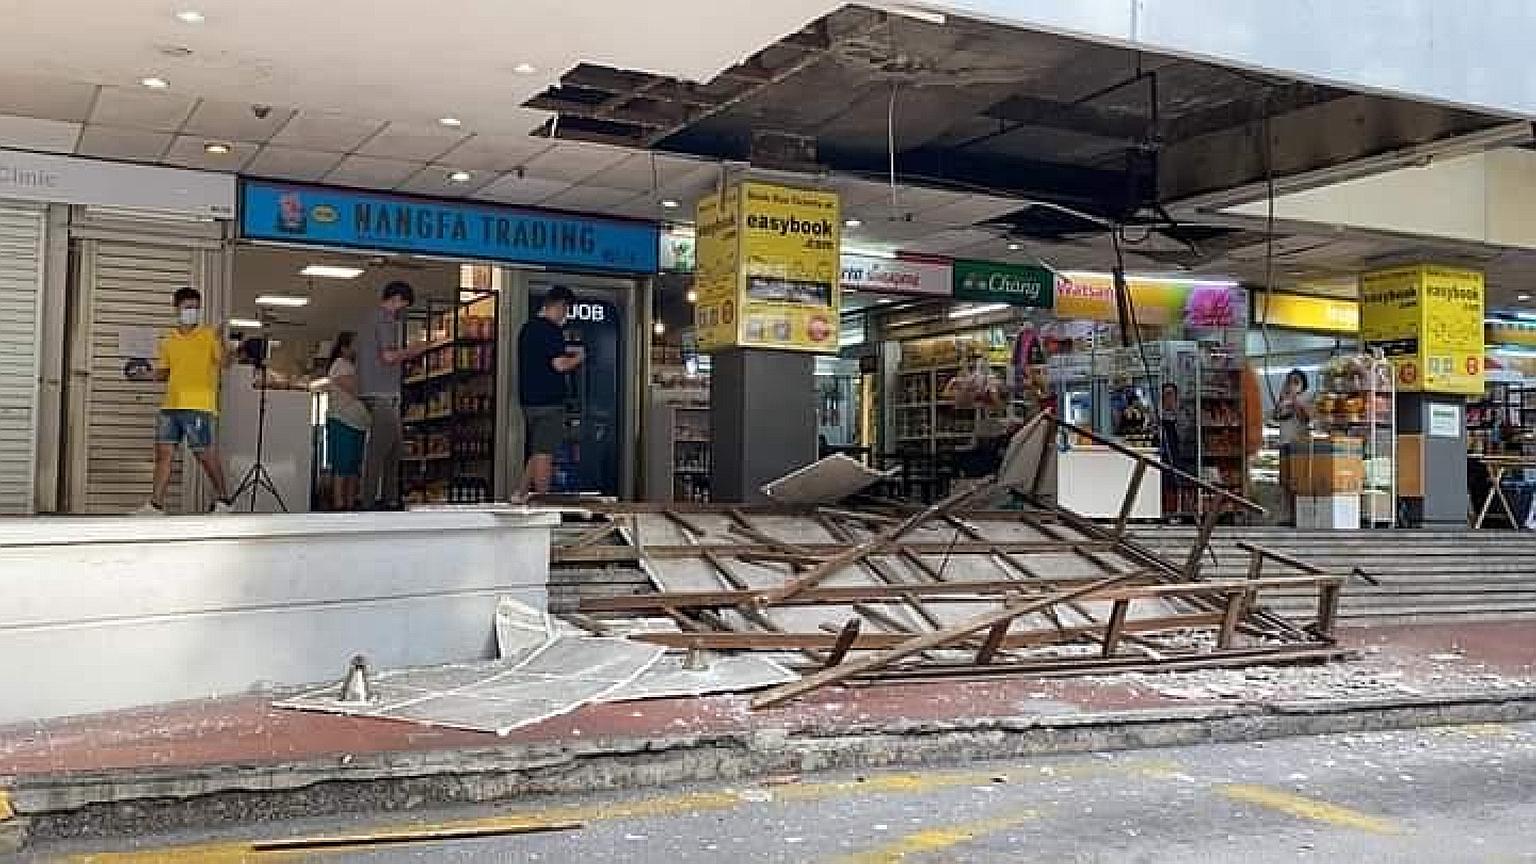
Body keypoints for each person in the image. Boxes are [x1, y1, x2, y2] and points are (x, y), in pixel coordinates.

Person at [133, 287, 233, 514]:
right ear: (176, 309)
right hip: (171, 405)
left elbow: (225, 363)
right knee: (163, 454)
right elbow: (165, 373)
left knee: (203, 454)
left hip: (198, 404)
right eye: (188, 307)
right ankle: (155, 505)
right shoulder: (168, 341)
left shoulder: (209, 335)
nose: (193, 312)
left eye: (196, 308)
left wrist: (222, 340)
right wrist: (143, 375)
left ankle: (225, 500)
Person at [356, 281, 421, 510]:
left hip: (373, 390)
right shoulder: (384, 320)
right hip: (381, 391)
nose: (403, 309)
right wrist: (413, 351)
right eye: (404, 304)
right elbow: (389, 357)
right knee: (381, 448)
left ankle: (389, 498)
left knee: (393, 446)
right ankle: (369, 502)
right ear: (396, 299)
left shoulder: (368, 319)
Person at [517, 286, 583, 499]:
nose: (566, 315)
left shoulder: (527, 328)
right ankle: (542, 500)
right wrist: (579, 358)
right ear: (560, 305)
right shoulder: (551, 330)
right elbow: (560, 365)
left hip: (529, 401)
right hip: (550, 402)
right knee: (545, 452)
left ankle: (520, 494)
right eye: (566, 310)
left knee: (537, 449)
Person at [323, 332, 371, 511]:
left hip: (358, 423)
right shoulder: (339, 366)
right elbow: (356, 389)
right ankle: (339, 503)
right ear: (344, 348)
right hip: (343, 421)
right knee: (342, 466)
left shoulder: (354, 366)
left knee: (353, 467)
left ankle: (350, 503)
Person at [1273, 368, 1314, 444]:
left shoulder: (1307, 397)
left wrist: (1294, 399)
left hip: (1300, 443)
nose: (1292, 385)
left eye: (1296, 382)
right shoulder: (1285, 397)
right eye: (1289, 381)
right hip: (1284, 440)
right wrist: (1281, 399)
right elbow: (1276, 417)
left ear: (1303, 384)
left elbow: (1304, 419)